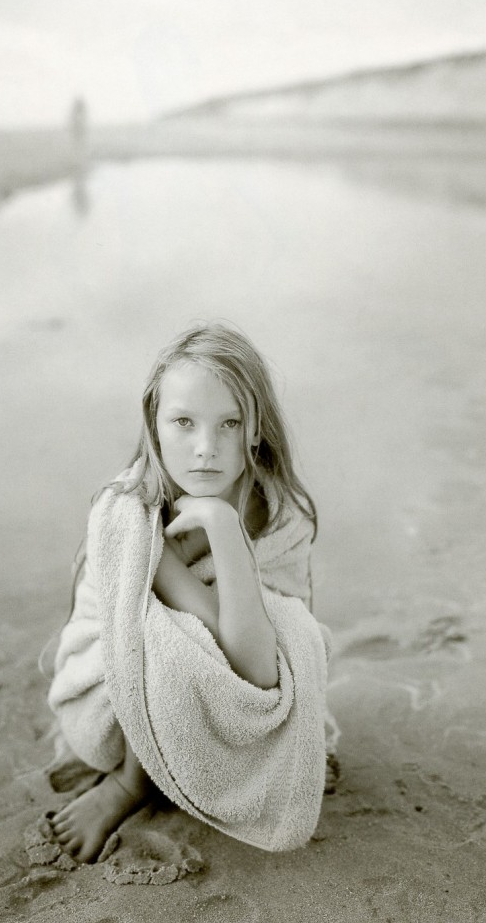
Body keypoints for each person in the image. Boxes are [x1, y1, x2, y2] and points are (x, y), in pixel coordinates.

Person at [45, 323, 336, 863]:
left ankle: (230, 761)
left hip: (240, 687)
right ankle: (131, 784)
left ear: (256, 429)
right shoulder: (130, 513)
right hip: (115, 693)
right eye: (183, 422)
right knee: (169, 635)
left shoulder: (281, 513)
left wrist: (225, 529)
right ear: (154, 427)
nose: (206, 449)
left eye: (229, 423)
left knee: (295, 629)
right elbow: (218, 650)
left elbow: (263, 667)